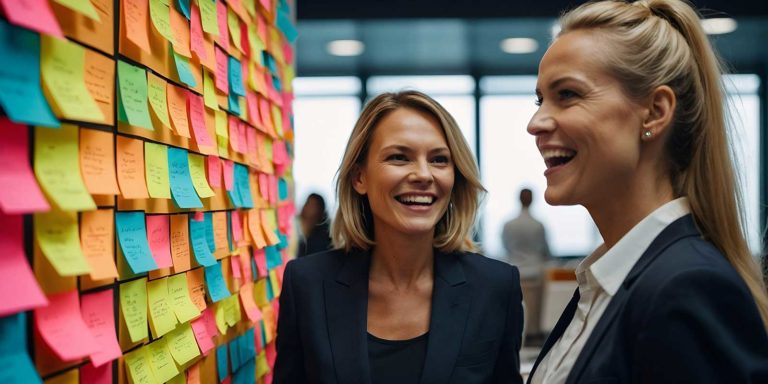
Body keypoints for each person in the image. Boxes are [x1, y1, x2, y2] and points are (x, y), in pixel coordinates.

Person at [526, 1, 768, 383]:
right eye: (541, 100)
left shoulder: (686, 288)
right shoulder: (606, 284)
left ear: (655, 111)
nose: (535, 123)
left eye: (568, 94)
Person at [274, 90, 524, 383]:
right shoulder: (307, 284)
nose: (423, 174)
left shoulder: (495, 286)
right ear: (359, 178)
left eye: (439, 159)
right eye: (399, 157)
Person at [502, 187, 551, 278]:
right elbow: (545, 251)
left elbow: (505, 247)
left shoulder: (508, 225)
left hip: (514, 271)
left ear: (519, 199)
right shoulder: (538, 225)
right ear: (532, 200)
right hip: (535, 273)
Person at [297, 193, 332, 257]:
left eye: (313, 205)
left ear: (320, 210)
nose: (308, 207)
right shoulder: (296, 225)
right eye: (307, 203)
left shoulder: (324, 235)